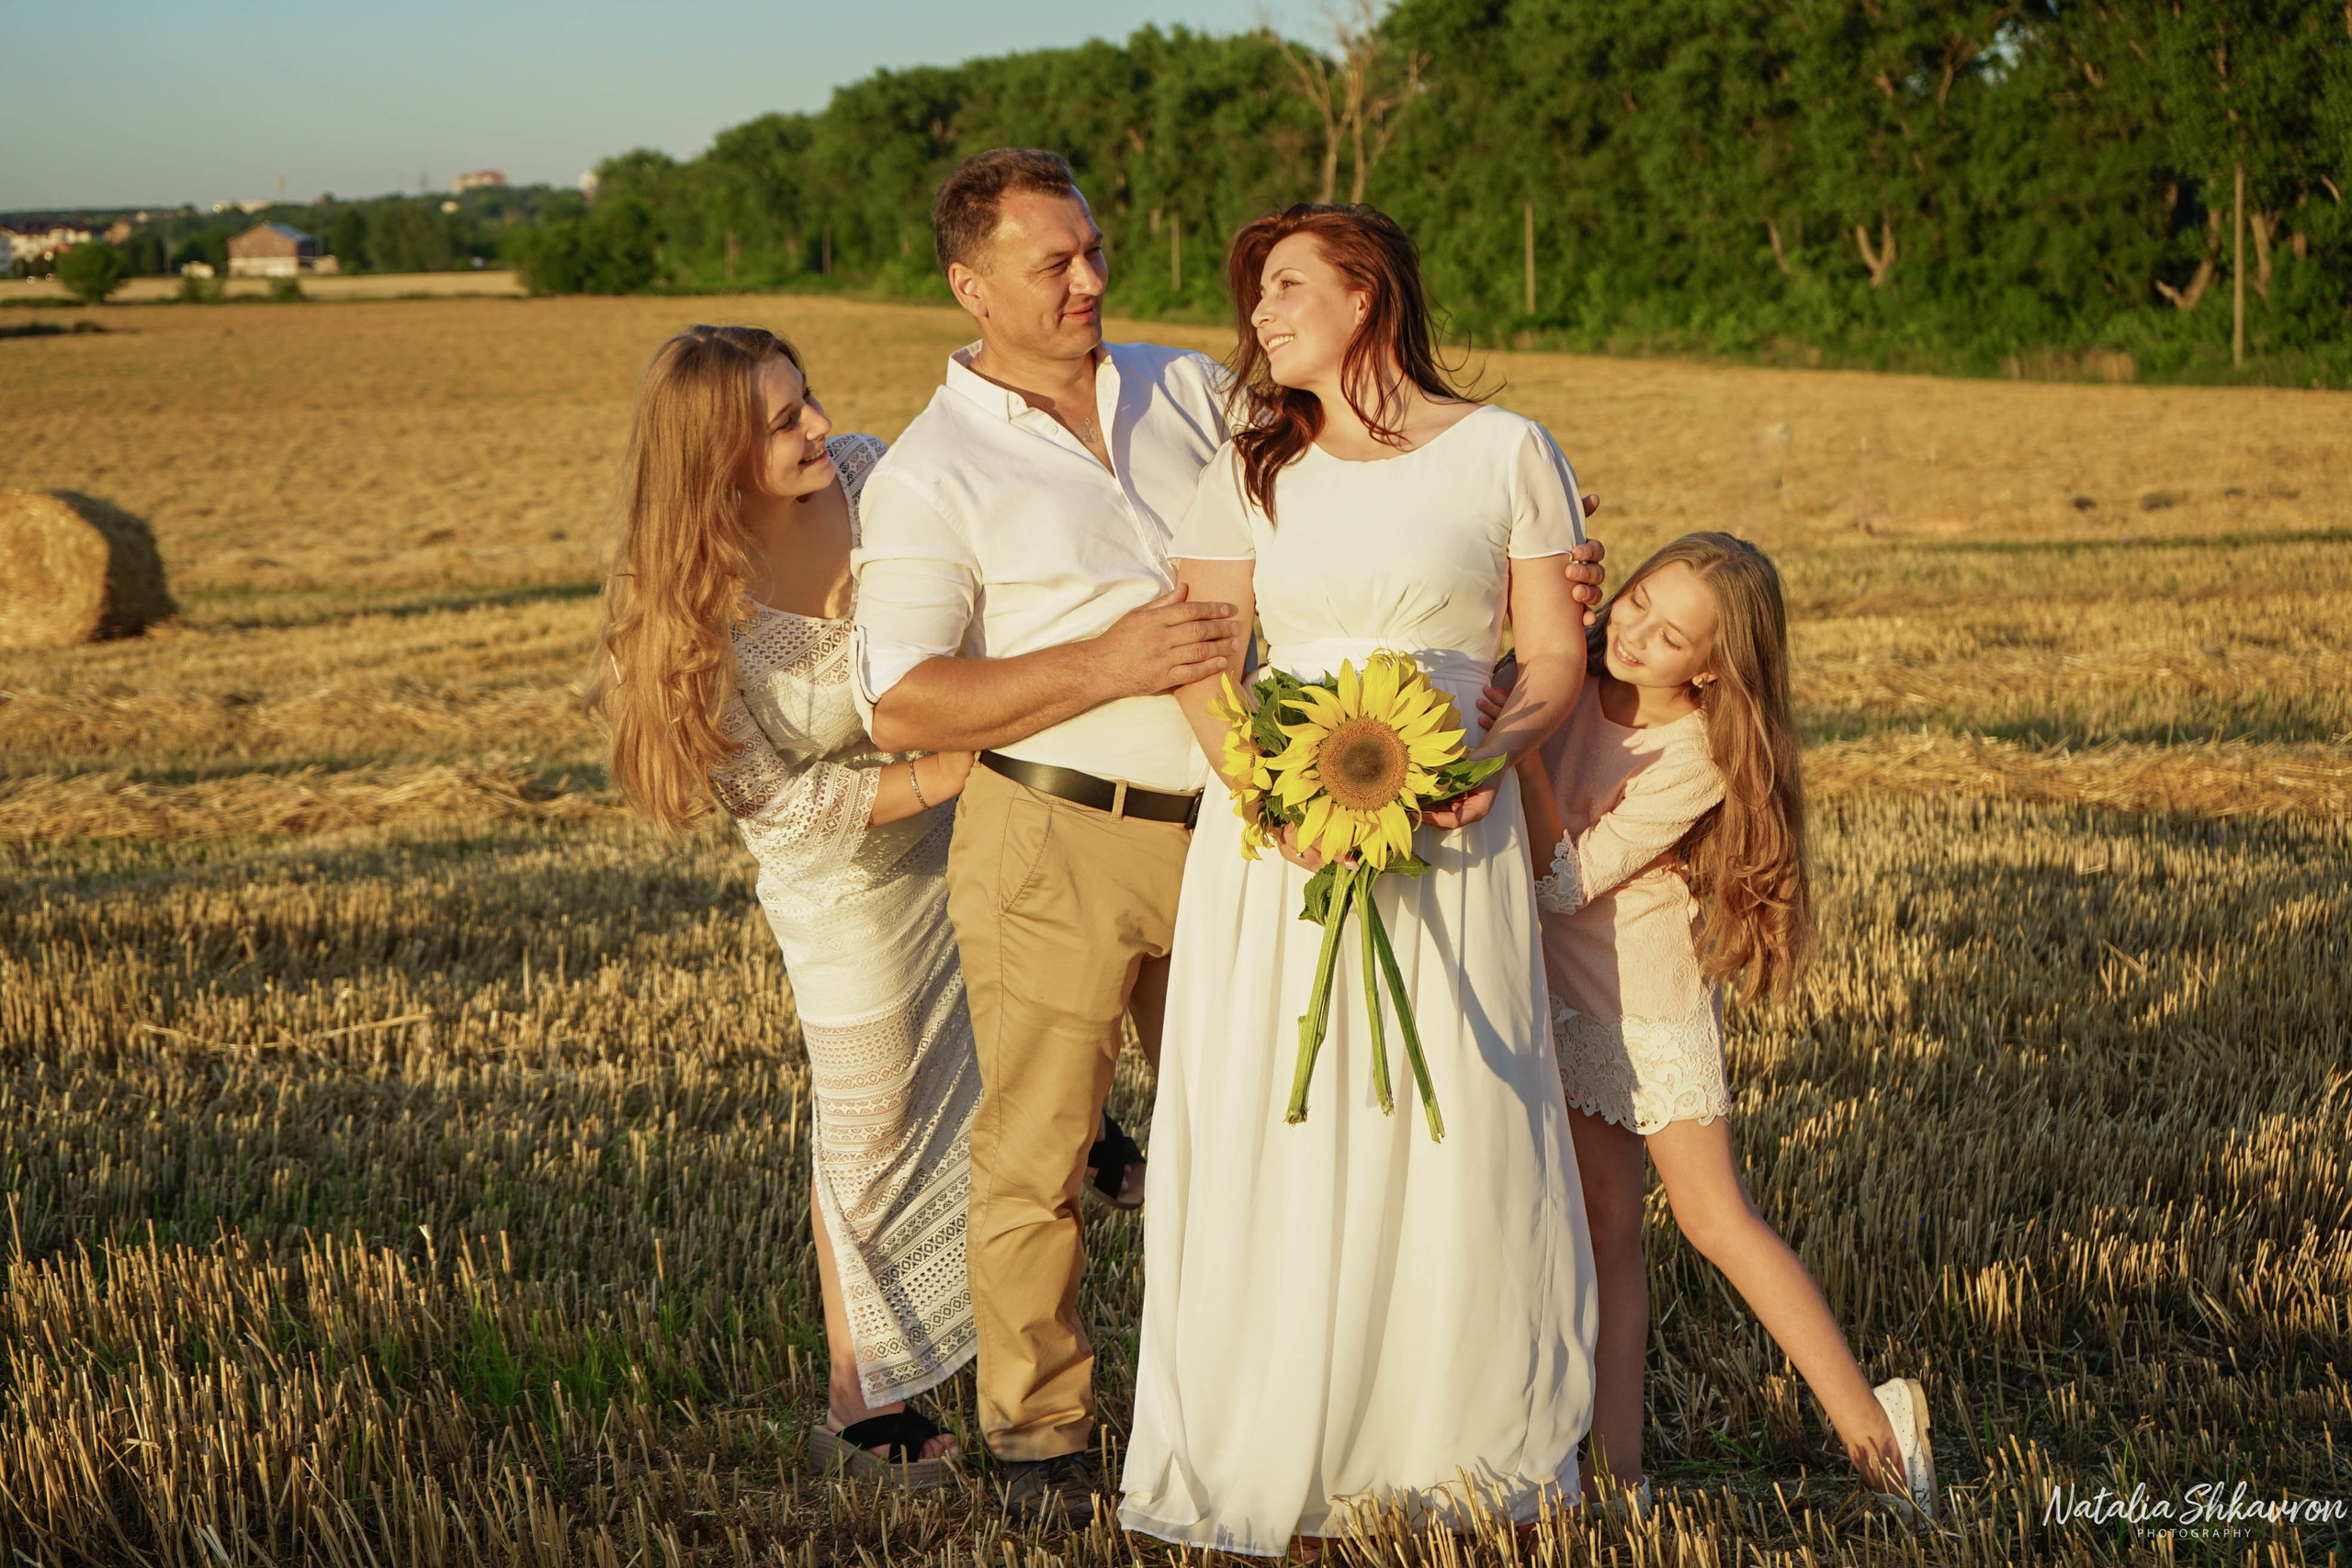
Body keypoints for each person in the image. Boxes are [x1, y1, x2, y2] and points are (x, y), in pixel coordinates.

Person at [854, 151, 1611, 1522]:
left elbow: (1390, 484)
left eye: (1094, 249)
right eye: (1055, 263)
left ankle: (1372, 1397)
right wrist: (1123, 670)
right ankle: (1040, 1439)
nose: (1092, 280)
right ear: (971, 286)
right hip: (1066, 829)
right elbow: (900, 701)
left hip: (1233, 826)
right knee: (1041, 1147)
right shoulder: (930, 471)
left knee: (1264, 1127)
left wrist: (1534, 562)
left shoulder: (1191, 392)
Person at [1117, 203, 1600, 1558]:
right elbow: (1204, 659)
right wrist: (1266, 796)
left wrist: (1483, 759)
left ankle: (1446, 1442)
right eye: (1256, 295)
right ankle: (1285, 1435)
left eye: (1284, 286)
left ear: (1366, 292)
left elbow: (1553, 656)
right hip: (1279, 844)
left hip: (1455, 828)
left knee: (1453, 1113)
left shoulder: (1509, 451)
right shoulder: (1248, 466)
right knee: (1291, 1108)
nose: (1259, 316)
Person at [592, 324, 977, 1487]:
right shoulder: (682, 604)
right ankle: (864, 1398)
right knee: (869, 1125)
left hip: (966, 825)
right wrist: (946, 771)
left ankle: (1090, 1155)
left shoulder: (867, 474)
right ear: (714, 454)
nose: (821, 426)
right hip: (843, 882)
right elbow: (777, 804)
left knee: (1025, 1032)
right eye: (783, 420)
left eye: (809, 399)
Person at [1494, 532, 1939, 1519]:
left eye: (1669, 637)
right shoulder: (1569, 675)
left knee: (1713, 1219)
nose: (1636, 634)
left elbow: (1563, 882)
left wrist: (1520, 759)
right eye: (1639, 602)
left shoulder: (1696, 752)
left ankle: (1879, 1436)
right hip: (1557, 991)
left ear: (1709, 669)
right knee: (1607, 1231)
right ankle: (1619, 1480)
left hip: (1644, 1006)